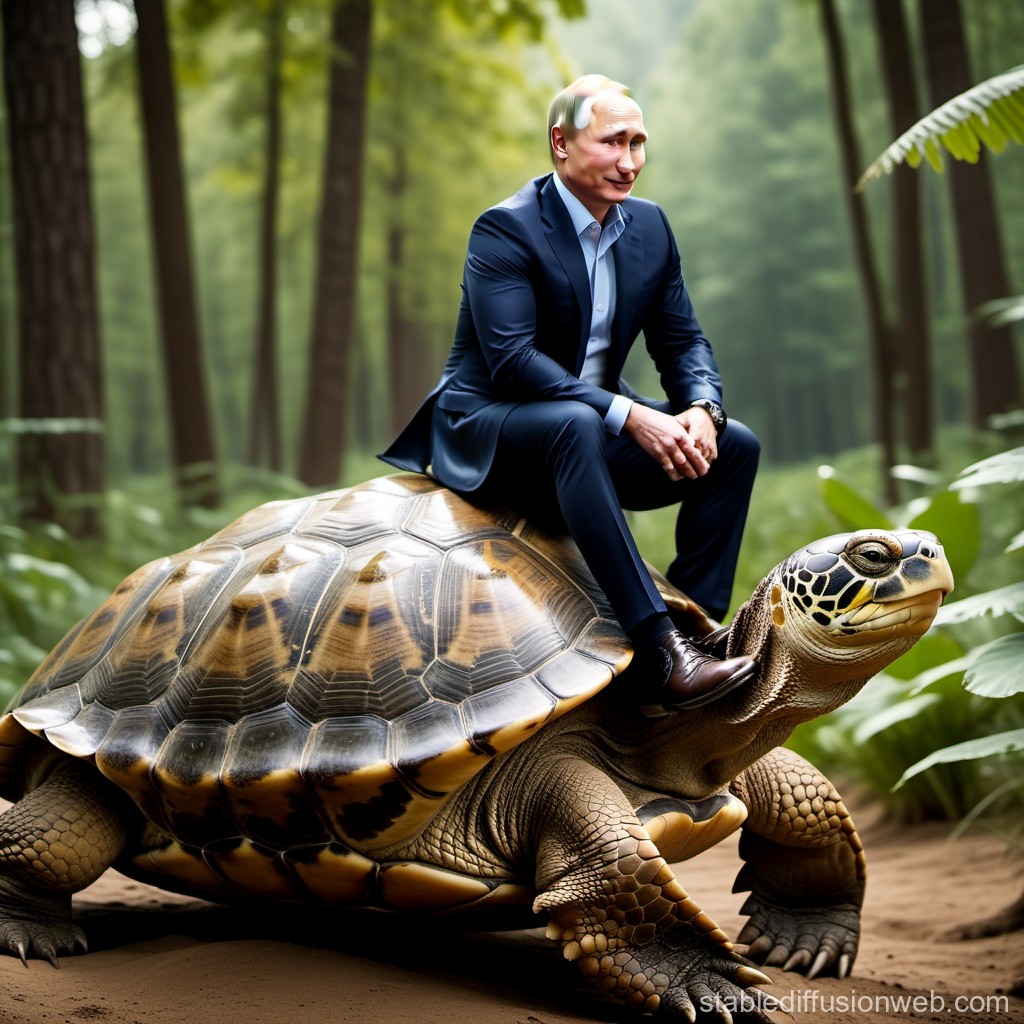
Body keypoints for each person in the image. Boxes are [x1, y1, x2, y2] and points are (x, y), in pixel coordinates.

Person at [381, 74, 760, 715]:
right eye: (613, 142)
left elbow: (683, 340)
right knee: (575, 425)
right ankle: (661, 648)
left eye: (639, 143)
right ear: (561, 144)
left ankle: (699, 633)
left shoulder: (650, 228)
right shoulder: (504, 229)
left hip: (582, 431)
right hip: (492, 429)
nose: (631, 161)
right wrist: (630, 414)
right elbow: (512, 362)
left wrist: (701, 408)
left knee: (735, 446)